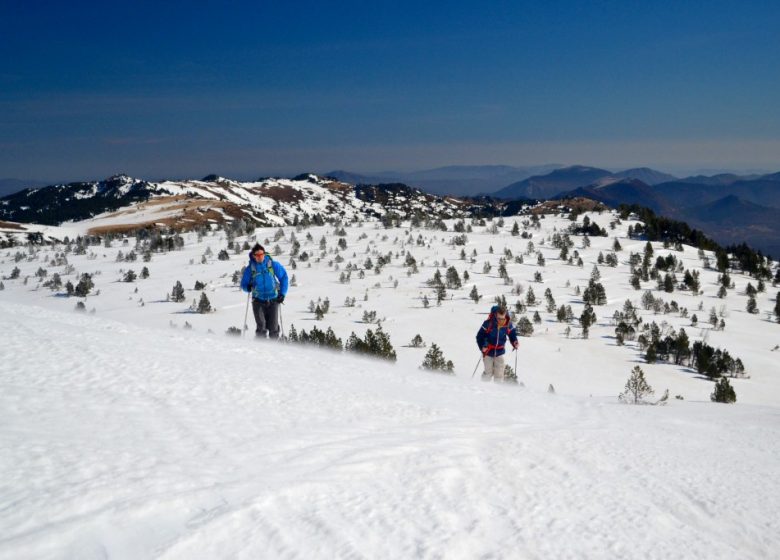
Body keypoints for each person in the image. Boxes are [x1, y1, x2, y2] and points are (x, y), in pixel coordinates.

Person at [240, 243, 289, 339]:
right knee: (261, 327)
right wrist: (248, 287)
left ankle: (274, 350)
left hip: (273, 300)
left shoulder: (272, 265)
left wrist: (282, 293)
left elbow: (284, 277)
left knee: (273, 328)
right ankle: (261, 350)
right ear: (253, 256)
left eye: (261, 254)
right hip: (258, 301)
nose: (260, 257)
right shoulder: (250, 269)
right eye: (257, 255)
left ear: (264, 254)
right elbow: (243, 284)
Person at [476, 304, 519, 381]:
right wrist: (482, 346)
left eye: (503, 318)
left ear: (505, 315)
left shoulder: (507, 324)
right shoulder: (488, 323)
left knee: (499, 374)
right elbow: (479, 336)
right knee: (488, 373)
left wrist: (515, 342)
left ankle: (498, 391)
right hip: (488, 351)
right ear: (496, 315)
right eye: (499, 318)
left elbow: (512, 334)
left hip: (499, 352)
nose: (501, 321)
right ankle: (482, 388)